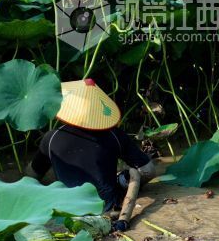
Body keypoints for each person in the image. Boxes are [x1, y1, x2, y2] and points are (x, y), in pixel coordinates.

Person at [27, 79, 157, 212]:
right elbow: (149, 170)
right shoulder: (114, 135)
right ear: (98, 109)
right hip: (105, 208)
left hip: (65, 211)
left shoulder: (50, 138)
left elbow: (30, 178)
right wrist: (125, 183)